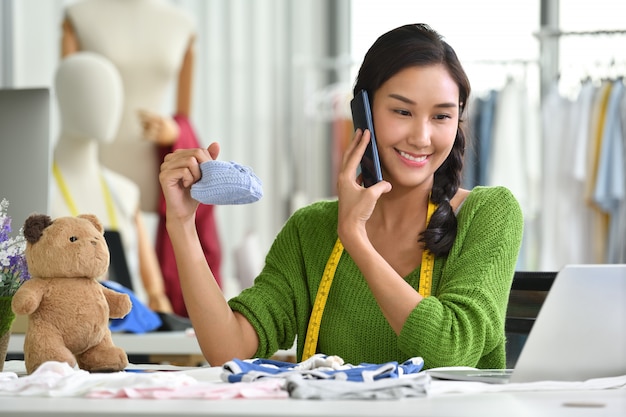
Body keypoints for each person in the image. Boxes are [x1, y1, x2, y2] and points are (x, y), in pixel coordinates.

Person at [159, 23, 524, 368]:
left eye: (441, 117)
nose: (422, 136)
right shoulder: (312, 229)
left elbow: (450, 352)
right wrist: (182, 223)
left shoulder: (489, 213)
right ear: (362, 114)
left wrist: (355, 239)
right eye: (402, 111)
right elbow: (228, 349)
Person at [61, 0, 223, 316]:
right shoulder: (79, 17)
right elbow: (70, 91)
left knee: (156, 292)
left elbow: (183, 115)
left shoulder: (181, 25)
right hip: (99, 169)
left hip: (156, 168)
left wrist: (173, 131)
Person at [52, 51, 173, 314]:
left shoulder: (125, 192)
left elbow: (154, 290)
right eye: (92, 92)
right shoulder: (36, 188)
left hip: (124, 330)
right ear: (65, 99)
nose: (108, 106)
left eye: (112, 95)